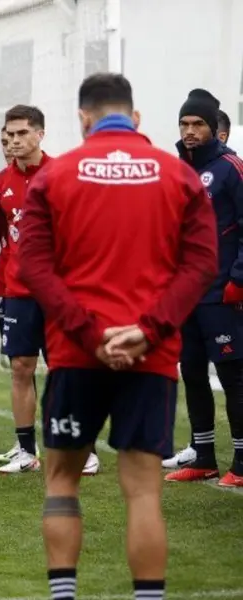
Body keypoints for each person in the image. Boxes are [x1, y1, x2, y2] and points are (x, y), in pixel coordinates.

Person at [17, 72, 217, 600]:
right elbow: (202, 264)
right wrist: (148, 332)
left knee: (62, 479)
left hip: (77, 353)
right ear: (135, 119)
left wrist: (88, 333)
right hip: (149, 357)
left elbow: (31, 265)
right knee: (143, 491)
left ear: (83, 119)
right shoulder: (178, 175)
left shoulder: (54, 177)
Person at [0, 105, 103, 476]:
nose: (15, 141)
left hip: (59, 292)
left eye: (22, 134)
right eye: (10, 134)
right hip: (19, 291)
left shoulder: (63, 176)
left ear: (40, 134)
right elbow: (5, 235)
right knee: (21, 367)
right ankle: (25, 450)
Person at [161, 89, 243, 487]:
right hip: (187, 294)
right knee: (191, 371)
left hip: (221, 293)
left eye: (198, 124)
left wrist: (238, 280)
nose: (190, 131)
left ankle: (242, 461)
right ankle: (204, 454)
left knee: (232, 375)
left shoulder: (231, 168)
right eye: (184, 124)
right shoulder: (178, 170)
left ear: (214, 129)